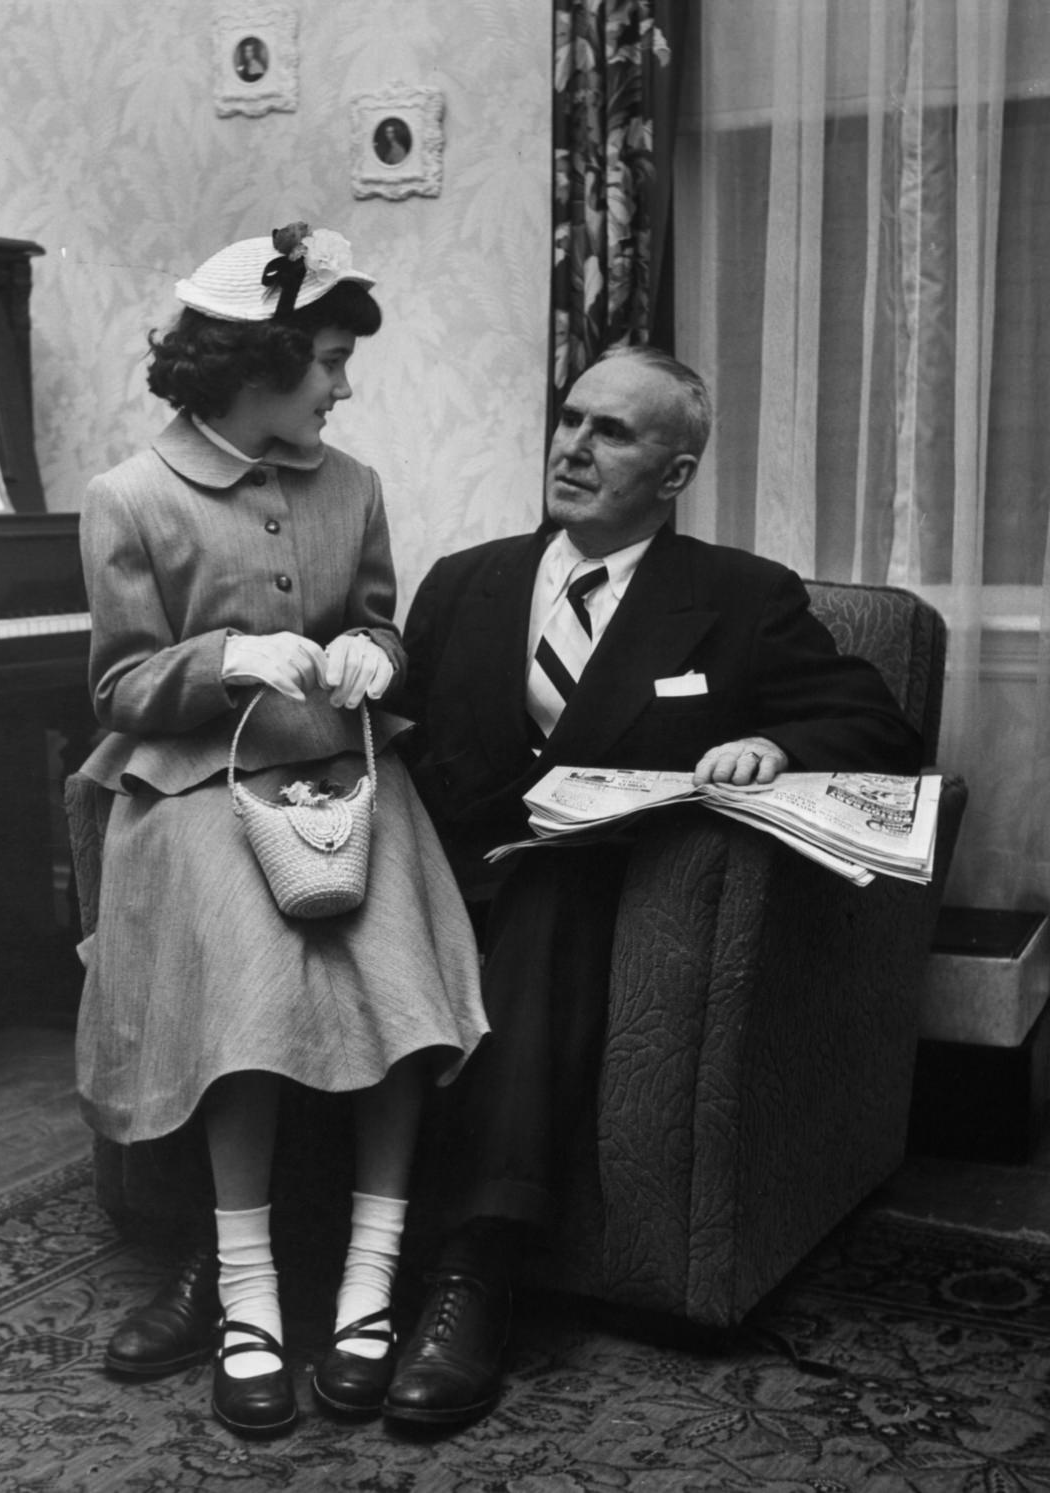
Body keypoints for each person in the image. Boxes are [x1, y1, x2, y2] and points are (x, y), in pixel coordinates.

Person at [381, 345, 925, 1425]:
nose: (573, 445)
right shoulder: (465, 579)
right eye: (571, 418)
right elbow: (395, 734)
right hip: (441, 880)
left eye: (613, 432)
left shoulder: (738, 596)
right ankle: (269, 1252)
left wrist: (772, 740)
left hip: (594, 897)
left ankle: (473, 1275)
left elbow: (879, 723)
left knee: (548, 896)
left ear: (674, 475)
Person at [73, 222, 487, 1436]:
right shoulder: (131, 496)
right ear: (260, 359)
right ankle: (250, 1297)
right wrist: (224, 658)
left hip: (348, 780)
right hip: (197, 791)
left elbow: (382, 623)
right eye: (332, 361)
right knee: (250, 1001)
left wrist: (378, 648)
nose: (346, 386)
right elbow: (114, 690)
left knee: (404, 987)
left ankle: (370, 1275)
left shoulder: (352, 484)